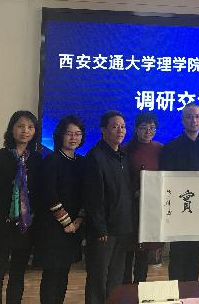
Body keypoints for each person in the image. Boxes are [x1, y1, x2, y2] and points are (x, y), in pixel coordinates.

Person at [0, 110, 43, 304]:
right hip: (0, 226)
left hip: (24, 227)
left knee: (18, 275)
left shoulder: (37, 160)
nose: (25, 131)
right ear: (12, 129)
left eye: (30, 127)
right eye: (20, 126)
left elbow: (39, 195)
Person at [160, 103, 199, 281]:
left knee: (194, 253)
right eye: (189, 117)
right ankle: (176, 292)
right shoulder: (170, 147)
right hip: (177, 210)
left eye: (197, 116)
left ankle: (192, 291)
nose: (194, 120)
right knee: (177, 254)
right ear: (183, 120)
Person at [84, 110, 134, 304]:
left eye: (123, 127)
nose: (120, 131)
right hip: (104, 230)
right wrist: (100, 227)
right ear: (103, 130)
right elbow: (93, 197)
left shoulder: (123, 155)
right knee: (98, 276)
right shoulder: (95, 156)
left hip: (122, 226)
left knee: (116, 276)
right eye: (115, 127)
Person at [37, 115, 87, 304]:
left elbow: (86, 194)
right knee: (51, 275)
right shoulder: (52, 160)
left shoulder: (82, 162)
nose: (74, 138)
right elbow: (49, 195)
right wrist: (67, 223)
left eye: (78, 134)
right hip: (54, 228)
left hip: (73, 227)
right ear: (60, 135)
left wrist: (79, 220)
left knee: (64, 273)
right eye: (69, 133)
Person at [121, 111, 163, 284]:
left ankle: (140, 289)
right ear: (136, 129)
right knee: (126, 253)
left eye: (152, 128)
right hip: (130, 208)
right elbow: (121, 179)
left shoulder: (160, 149)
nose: (148, 131)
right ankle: (125, 290)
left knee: (143, 254)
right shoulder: (125, 150)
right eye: (144, 127)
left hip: (150, 208)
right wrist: (135, 191)